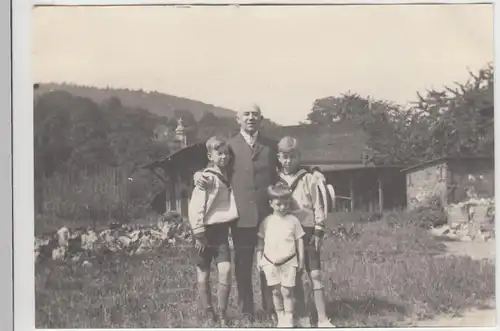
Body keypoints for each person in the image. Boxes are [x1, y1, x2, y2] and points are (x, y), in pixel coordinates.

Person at [195, 104, 327, 322]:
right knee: (244, 266)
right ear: (238, 119)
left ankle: (273, 309)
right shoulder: (231, 146)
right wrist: (197, 174)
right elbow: (213, 164)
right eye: (246, 114)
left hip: (269, 218)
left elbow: (291, 162)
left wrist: (316, 171)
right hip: (242, 219)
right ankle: (247, 312)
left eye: (254, 114)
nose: (250, 117)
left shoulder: (269, 146)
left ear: (261, 119)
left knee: (272, 262)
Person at [276, 136, 335, 327]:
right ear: (278, 157)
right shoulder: (275, 179)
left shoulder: (309, 178)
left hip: (308, 231)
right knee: (294, 275)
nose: (288, 161)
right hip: (287, 234)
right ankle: (302, 316)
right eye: (284, 157)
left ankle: (323, 318)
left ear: (299, 156)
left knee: (315, 274)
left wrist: (319, 230)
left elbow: (319, 205)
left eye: (292, 156)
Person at [188, 136, 239, 327]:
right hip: (203, 232)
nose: (224, 157)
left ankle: (222, 312)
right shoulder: (207, 178)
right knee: (203, 272)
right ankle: (209, 311)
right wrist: (199, 235)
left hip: (220, 231)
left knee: (225, 270)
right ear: (210, 155)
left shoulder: (226, 175)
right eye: (220, 153)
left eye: (226, 153)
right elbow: (195, 208)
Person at [256, 183, 305, 327]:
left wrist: (301, 260)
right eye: (279, 204)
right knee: (276, 291)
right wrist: (258, 259)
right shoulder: (266, 222)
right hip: (270, 262)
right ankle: (280, 316)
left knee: (287, 291)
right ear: (271, 203)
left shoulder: (293, 221)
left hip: (289, 262)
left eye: (286, 204)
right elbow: (260, 242)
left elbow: (299, 240)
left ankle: (289, 317)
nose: (283, 207)